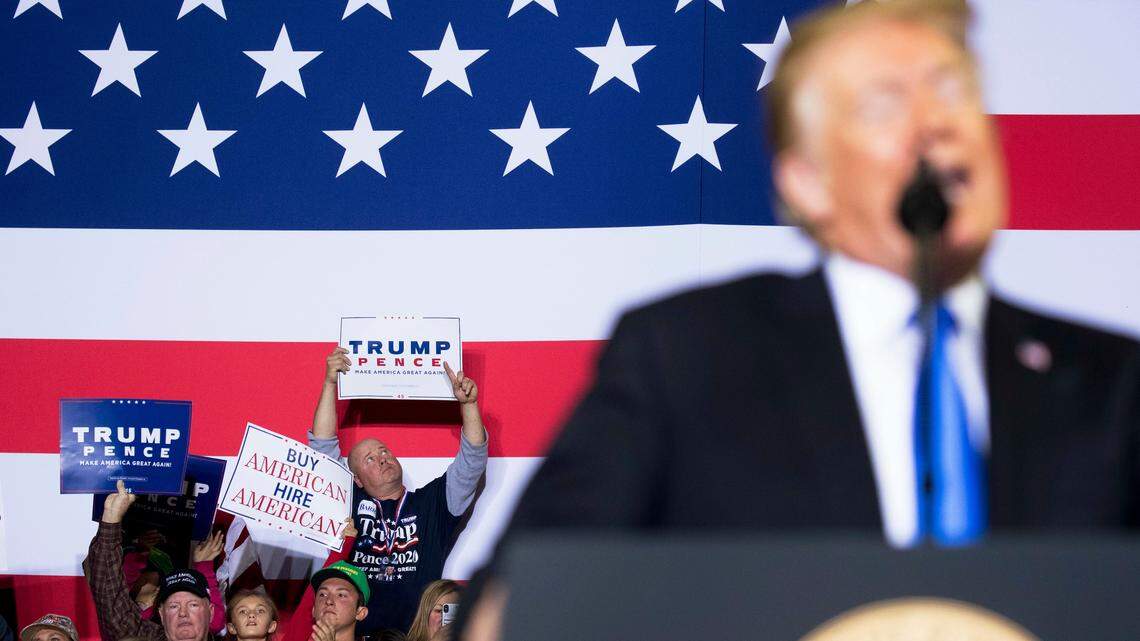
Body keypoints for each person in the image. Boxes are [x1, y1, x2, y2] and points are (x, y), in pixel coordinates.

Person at [458, 0, 1140, 636]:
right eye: (885, 103)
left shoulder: (1112, 379)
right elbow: (514, 601)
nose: (936, 120)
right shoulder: (687, 356)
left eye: (953, 88)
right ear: (806, 183)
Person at [308, 348, 489, 633]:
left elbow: (472, 462)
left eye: (384, 451)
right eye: (370, 459)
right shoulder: (345, 500)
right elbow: (321, 449)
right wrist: (330, 382)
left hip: (415, 637)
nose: (382, 458)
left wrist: (468, 405)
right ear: (356, 479)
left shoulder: (434, 503)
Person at [87, 481, 218, 641]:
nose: (183, 613)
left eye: (193, 605)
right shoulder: (146, 637)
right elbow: (110, 600)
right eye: (173, 606)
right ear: (161, 614)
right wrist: (111, 519)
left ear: (211, 612)